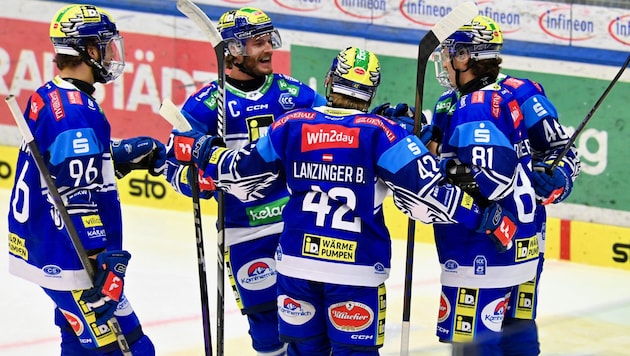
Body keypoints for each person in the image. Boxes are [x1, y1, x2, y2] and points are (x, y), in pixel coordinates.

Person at [170, 46, 519, 356]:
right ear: (371, 90)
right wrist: (484, 217)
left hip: (295, 266)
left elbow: (240, 171)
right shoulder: (384, 132)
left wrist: (203, 150)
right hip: (356, 269)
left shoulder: (292, 124)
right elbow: (431, 195)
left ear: (331, 81)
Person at [163, 7, 327, 355]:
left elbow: (341, 130)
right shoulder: (204, 106)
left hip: (297, 227)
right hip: (244, 233)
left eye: (269, 40)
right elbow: (171, 167)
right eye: (258, 43)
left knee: (310, 327)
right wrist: (198, 181)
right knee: (268, 333)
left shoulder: (297, 96)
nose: (269, 49)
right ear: (233, 50)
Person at [7, 4, 165, 354]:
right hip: (70, 256)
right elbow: (75, 194)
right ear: (89, 50)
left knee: (78, 342)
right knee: (131, 348)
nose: (111, 54)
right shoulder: (77, 110)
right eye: (106, 46)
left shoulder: (52, 94)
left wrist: (116, 155)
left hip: (43, 243)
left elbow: (61, 163)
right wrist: (103, 259)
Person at [427, 16, 580, 356]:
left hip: (496, 242)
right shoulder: (448, 102)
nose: (443, 60)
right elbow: (443, 155)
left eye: (449, 52)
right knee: (509, 333)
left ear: (465, 56)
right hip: (507, 239)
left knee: (494, 334)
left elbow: (563, 151)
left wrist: (558, 179)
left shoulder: (522, 93)